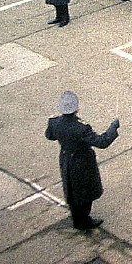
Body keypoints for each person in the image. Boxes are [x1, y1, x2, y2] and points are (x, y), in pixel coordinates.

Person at [45, 91, 119, 230]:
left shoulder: (54, 123)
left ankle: (76, 219)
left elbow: (50, 136)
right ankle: (83, 221)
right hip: (82, 162)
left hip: (66, 159)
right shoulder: (81, 128)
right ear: (76, 109)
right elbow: (102, 142)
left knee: (73, 191)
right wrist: (113, 127)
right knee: (85, 192)